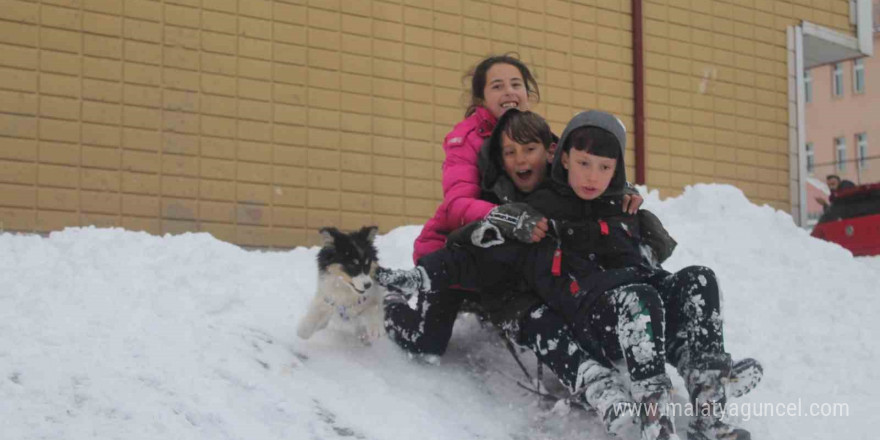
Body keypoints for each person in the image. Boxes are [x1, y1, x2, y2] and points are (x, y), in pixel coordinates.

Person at [379, 110, 759, 440]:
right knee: (639, 297)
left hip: (640, 305)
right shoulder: (540, 211)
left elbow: (651, 260)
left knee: (699, 279)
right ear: (563, 159)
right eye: (584, 163)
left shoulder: (620, 206)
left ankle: (707, 392)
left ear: (617, 170)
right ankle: (654, 415)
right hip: (593, 315)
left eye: (604, 168)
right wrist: (423, 275)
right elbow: (482, 255)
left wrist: (639, 221)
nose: (593, 176)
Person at [384, 56, 644, 438]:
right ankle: (392, 304)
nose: (509, 92)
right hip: (458, 249)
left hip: (516, 251)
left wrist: (621, 192)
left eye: (516, 84)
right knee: (428, 344)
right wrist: (507, 215)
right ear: (480, 97)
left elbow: (584, 171)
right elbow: (457, 205)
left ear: (528, 92)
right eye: (497, 85)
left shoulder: (542, 136)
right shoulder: (465, 140)